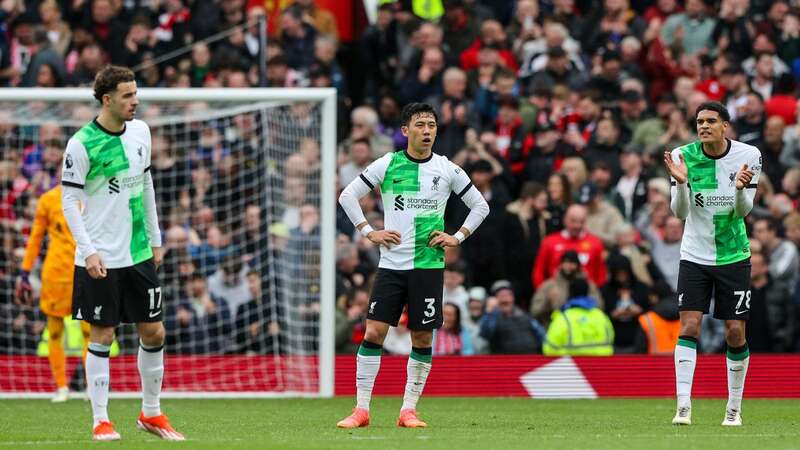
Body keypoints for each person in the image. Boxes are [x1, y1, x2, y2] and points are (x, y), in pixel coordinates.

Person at [336, 102, 489, 428]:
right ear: (405, 130)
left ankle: (409, 410)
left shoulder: (447, 168)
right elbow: (348, 195)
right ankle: (361, 409)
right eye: (420, 125)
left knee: (422, 339)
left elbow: (480, 206)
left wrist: (457, 236)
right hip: (392, 265)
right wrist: (369, 232)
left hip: (428, 266)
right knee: (375, 331)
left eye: (431, 125)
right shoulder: (388, 164)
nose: (427, 131)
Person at [60, 66, 183, 441]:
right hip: (100, 255)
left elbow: (146, 184)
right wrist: (88, 251)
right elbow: (69, 200)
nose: (136, 101)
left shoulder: (141, 132)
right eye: (128, 95)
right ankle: (101, 419)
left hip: (138, 251)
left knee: (154, 329)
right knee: (102, 333)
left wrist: (156, 237)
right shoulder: (81, 144)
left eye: (136, 93)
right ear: (107, 99)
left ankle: (151, 414)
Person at [663, 101, 761, 427]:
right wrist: (680, 183)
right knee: (689, 326)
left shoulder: (748, 156)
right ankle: (683, 407)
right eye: (699, 121)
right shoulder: (682, 156)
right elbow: (679, 214)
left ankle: (733, 409)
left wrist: (739, 190)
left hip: (734, 255)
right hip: (694, 255)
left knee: (734, 332)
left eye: (710, 121)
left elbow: (741, 212)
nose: (703, 126)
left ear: (725, 125)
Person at [17, 179, 90, 402]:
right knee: (55, 331)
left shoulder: (93, 195)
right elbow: (36, 237)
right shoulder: (48, 199)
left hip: (87, 270)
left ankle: (91, 386)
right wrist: (25, 271)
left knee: (90, 332)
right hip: (56, 275)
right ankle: (61, 387)